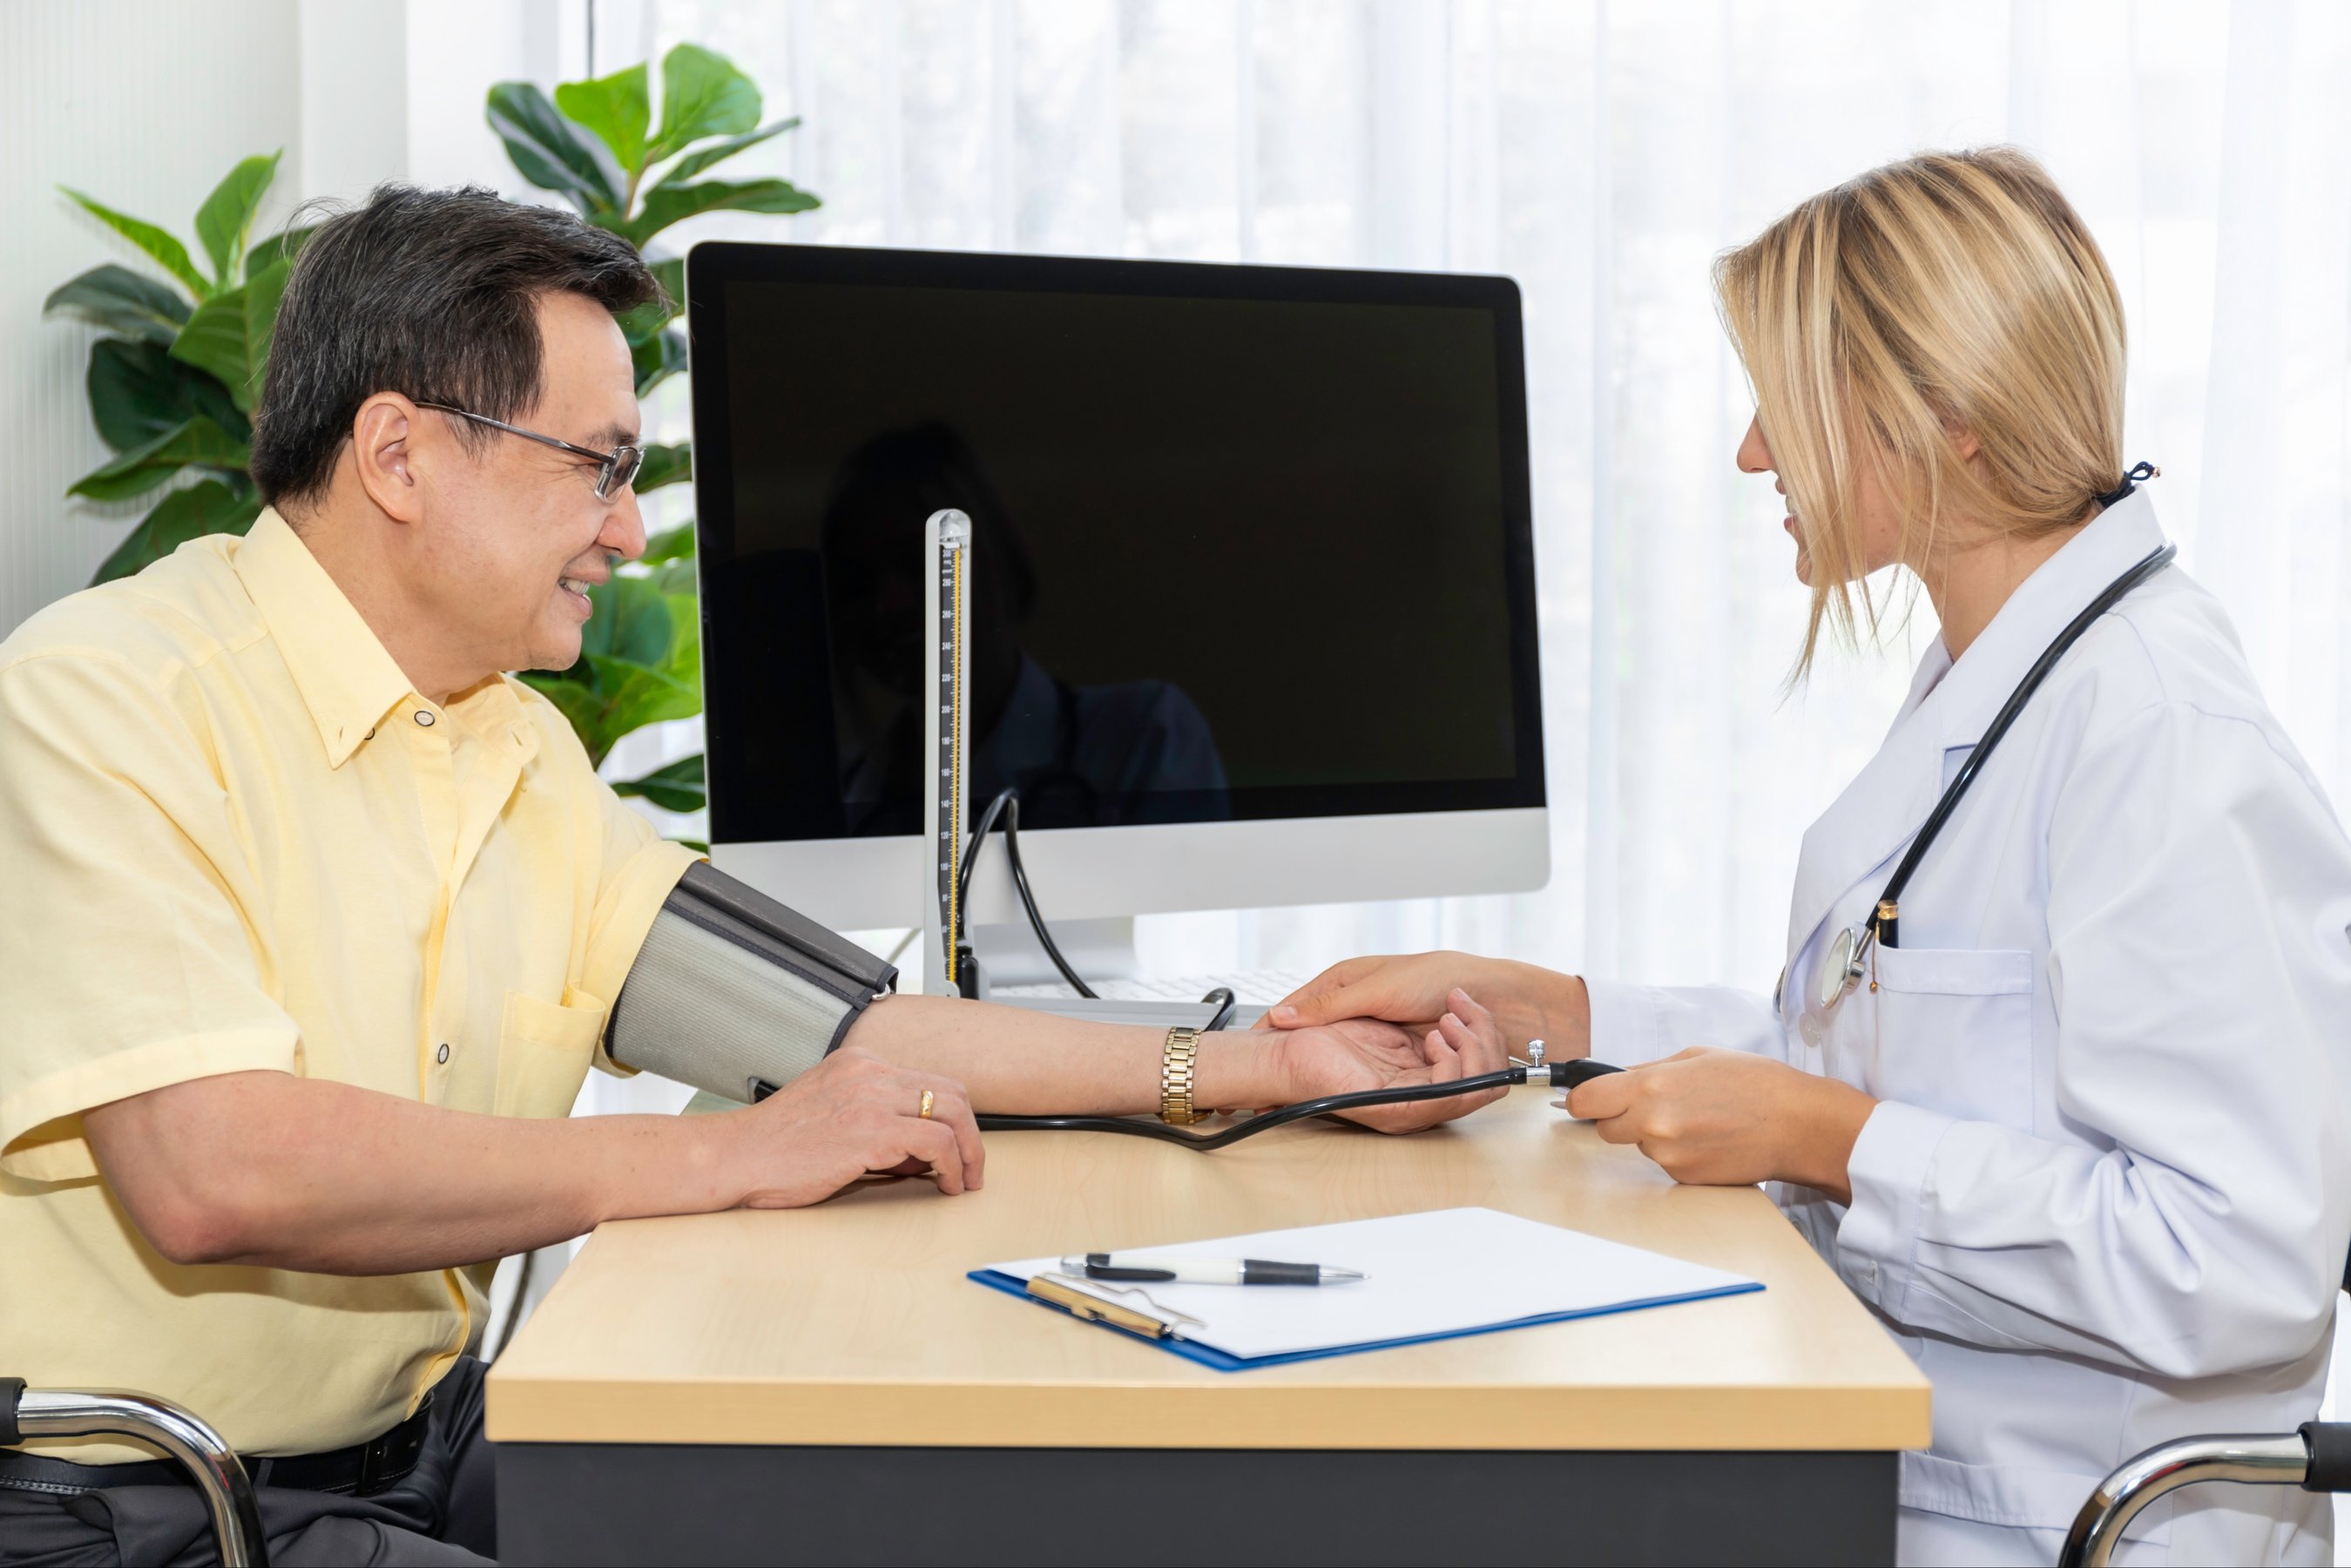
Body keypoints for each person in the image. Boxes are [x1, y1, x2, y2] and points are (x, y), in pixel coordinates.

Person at [0, 185, 1508, 1566]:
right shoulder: (100, 701)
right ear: (399, 454)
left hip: (410, 1446)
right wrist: (723, 1155)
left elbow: (836, 1025)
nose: (625, 528)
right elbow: (218, 1170)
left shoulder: (507, 748)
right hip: (149, 1499)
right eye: (595, 466)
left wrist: (1257, 1065)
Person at [1264, 148, 2351, 1566]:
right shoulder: (2014, 671)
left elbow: (2244, 1266)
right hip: (1914, 1457)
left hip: (2064, 1525)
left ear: (1942, 415)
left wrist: (1831, 1149)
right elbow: (1912, 1046)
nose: (1752, 452)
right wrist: (1558, 1018)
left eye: (1785, 397)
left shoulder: (2162, 738)